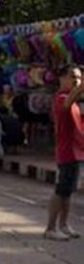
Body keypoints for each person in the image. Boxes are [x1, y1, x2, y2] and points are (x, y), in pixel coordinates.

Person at [44, 65, 84, 241]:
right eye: (72, 77)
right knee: (61, 190)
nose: (76, 81)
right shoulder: (61, 98)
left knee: (68, 191)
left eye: (79, 78)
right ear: (62, 78)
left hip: (77, 153)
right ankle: (50, 228)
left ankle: (64, 224)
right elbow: (67, 104)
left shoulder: (74, 101)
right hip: (67, 152)